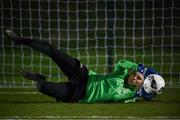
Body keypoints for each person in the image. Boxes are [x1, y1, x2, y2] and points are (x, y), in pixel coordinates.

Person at [5, 29, 165, 103]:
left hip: (79, 95)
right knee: (52, 50)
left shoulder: (130, 96)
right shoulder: (122, 72)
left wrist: (149, 90)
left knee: (42, 87)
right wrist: (138, 68)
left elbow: (146, 96)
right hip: (84, 74)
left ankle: (39, 78)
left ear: (140, 88)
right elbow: (122, 62)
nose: (136, 79)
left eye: (139, 81)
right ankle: (19, 40)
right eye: (137, 75)